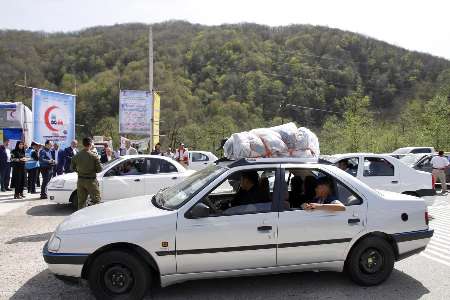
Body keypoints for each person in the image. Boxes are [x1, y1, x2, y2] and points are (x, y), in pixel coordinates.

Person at [71, 137, 102, 210]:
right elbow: (99, 169)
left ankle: (81, 219)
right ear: (90, 144)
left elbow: (72, 168)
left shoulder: (77, 156)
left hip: (80, 180)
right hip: (91, 181)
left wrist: (80, 171)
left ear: (83, 144)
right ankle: (96, 219)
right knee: (96, 201)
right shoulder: (94, 156)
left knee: (81, 202)